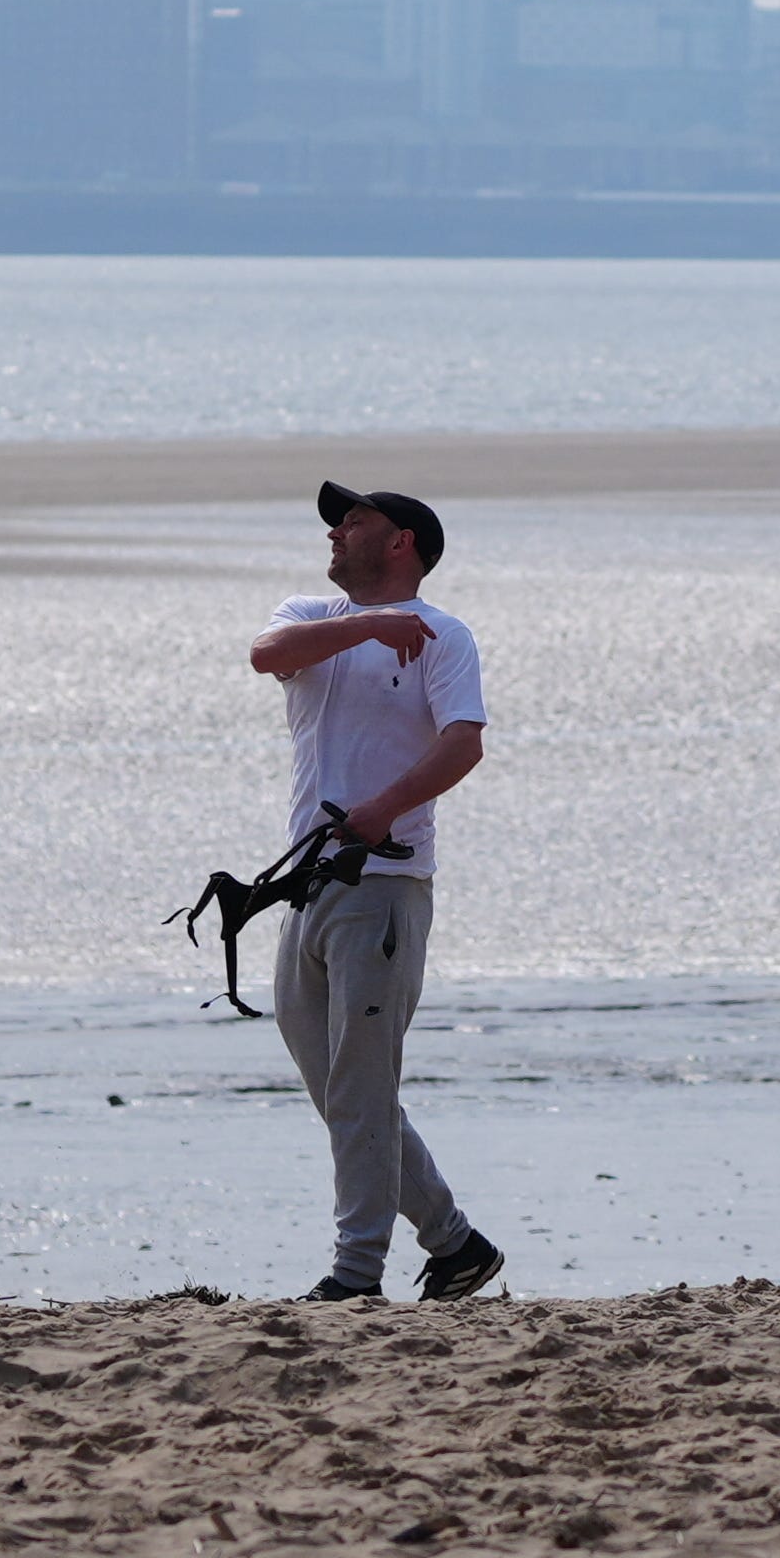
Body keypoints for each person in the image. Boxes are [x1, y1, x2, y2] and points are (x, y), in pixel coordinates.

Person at [247, 479, 507, 1304]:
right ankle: (456, 1243)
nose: (334, 531)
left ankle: (354, 1274)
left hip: (384, 880)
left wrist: (379, 812)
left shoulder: (444, 635)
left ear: (400, 541)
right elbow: (265, 654)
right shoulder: (313, 619)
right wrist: (366, 623)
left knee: (360, 1089)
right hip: (302, 885)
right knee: (341, 1092)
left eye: (352, 519)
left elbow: (463, 743)